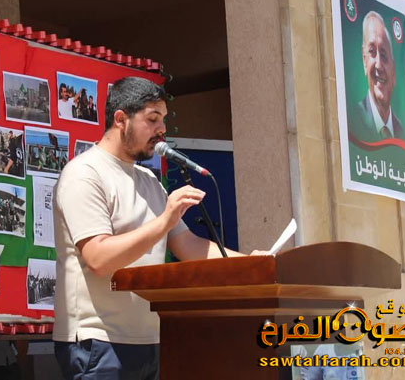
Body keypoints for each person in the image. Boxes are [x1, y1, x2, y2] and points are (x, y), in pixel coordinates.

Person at [53, 76, 269, 379]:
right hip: (98, 341)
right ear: (120, 120)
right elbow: (98, 259)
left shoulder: (149, 181)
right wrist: (163, 221)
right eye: (152, 119)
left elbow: (188, 245)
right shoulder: (84, 174)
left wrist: (252, 265)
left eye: (164, 119)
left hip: (150, 340)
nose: (162, 129)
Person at [349, 11, 404, 142]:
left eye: (384, 55)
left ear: (393, 71)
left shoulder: (402, 132)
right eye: (372, 52)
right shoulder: (352, 121)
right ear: (364, 60)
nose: (378, 65)